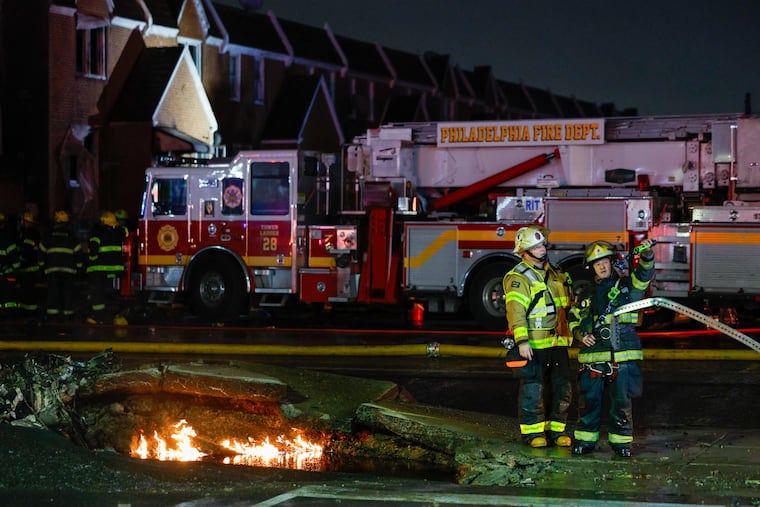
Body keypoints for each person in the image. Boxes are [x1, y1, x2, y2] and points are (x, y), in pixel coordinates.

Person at [570, 239, 655, 458]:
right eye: (597, 263)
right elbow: (574, 318)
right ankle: (585, 441)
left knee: (621, 403)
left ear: (611, 262)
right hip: (594, 356)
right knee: (589, 401)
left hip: (622, 355)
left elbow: (644, 275)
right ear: (592, 267)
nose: (602, 266)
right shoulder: (587, 293)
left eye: (604, 261)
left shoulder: (628, 287)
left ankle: (621, 443)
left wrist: (646, 256)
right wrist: (581, 334)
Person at [503, 225, 574, 448]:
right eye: (536, 246)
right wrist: (522, 341)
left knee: (561, 388)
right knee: (534, 389)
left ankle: (556, 431)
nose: (542, 249)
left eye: (543, 244)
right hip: (534, 345)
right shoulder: (518, 278)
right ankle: (533, 434)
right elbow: (516, 312)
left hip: (558, 342)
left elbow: (566, 309)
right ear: (524, 251)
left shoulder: (557, 274)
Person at [39, 210, 83, 322]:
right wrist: (79, 267)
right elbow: (78, 253)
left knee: (53, 293)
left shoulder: (48, 235)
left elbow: (41, 252)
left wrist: (42, 267)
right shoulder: (71, 236)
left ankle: (52, 317)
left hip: (51, 271)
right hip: (69, 271)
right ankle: (67, 316)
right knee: (67, 293)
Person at [85, 211, 127, 324]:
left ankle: (98, 317)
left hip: (98, 269)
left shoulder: (97, 232)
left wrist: (90, 261)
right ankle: (116, 316)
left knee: (97, 293)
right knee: (113, 293)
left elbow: (93, 250)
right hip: (116, 269)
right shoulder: (120, 232)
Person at [16, 211, 43, 321]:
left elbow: (26, 252)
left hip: (28, 269)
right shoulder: (32, 233)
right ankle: (27, 313)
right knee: (27, 293)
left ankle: (30, 314)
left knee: (28, 293)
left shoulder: (29, 234)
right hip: (30, 268)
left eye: (23, 221)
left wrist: (19, 263)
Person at [0, 212, 20, 319]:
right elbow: (15, 263)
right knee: (8, 298)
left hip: (5, 275)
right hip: (8, 276)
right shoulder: (9, 242)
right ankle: (8, 315)